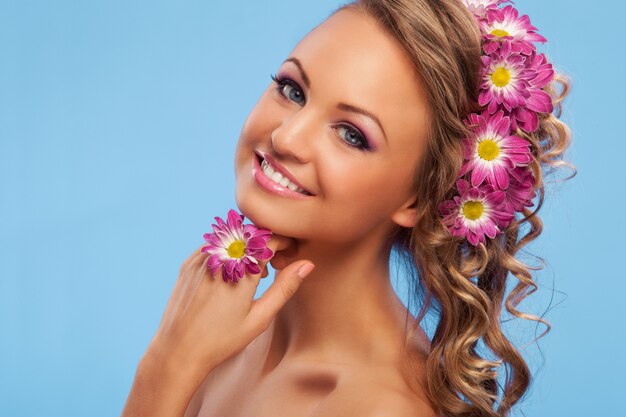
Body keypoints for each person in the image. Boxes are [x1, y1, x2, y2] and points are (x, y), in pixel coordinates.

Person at [121, 1, 573, 416]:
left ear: (418, 199)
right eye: (292, 90)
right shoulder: (221, 338)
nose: (286, 137)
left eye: (351, 134)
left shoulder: (382, 408)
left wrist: (163, 370)